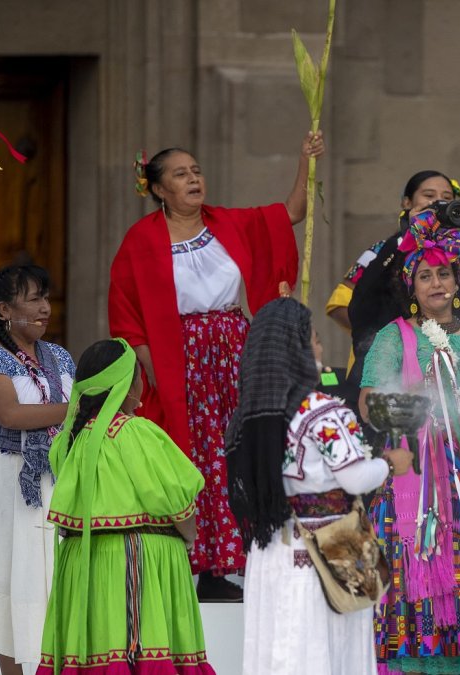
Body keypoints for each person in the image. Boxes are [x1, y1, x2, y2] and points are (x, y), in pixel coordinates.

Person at [108, 132, 324, 599]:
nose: (194, 179)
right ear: (158, 189)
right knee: (196, 454)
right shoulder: (140, 242)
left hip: (233, 351)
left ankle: (242, 559)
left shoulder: (226, 223)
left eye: (197, 171)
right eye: (180, 174)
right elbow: (128, 320)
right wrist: (158, 375)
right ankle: (199, 563)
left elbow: (290, 214)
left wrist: (304, 161)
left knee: (239, 448)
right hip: (177, 360)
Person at [228, 297, 412, 675]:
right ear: (296, 349)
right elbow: (355, 477)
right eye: (313, 339)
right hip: (329, 546)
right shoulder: (322, 410)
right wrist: (390, 463)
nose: (321, 347)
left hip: (271, 554)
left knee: (279, 656)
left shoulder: (248, 415)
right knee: (327, 652)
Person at [357, 211, 460, 673]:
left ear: (458, 280)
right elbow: (367, 404)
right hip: (415, 486)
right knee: (414, 594)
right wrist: (420, 404)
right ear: (411, 285)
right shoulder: (394, 336)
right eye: (426, 275)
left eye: (444, 273)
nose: (437, 283)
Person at [36, 339, 214, 675]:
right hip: (135, 560)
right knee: (135, 648)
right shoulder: (136, 433)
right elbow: (179, 503)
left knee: (98, 649)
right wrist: (188, 538)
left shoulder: (69, 440)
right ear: (127, 386)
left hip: (84, 561)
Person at [0, 264, 74, 675]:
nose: (45, 307)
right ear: (5, 309)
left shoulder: (59, 356)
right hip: (7, 480)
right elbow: (9, 415)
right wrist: (81, 407)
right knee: (10, 577)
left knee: (53, 577)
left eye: (46, 297)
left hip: (56, 477)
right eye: (34, 299)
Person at [337, 171, 460, 372]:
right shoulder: (384, 249)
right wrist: (409, 237)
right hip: (395, 364)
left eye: (446, 198)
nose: (438, 203)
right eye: (429, 196)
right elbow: (358, 307)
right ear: (407, 203)